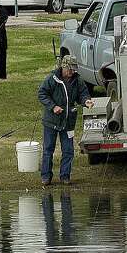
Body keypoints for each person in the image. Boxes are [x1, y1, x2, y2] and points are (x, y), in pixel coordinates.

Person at [37, 55, 93, 186]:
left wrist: (86, 101)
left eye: (74, 70)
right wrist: (53, 107)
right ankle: (46, 176)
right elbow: (42, 93)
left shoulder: (77, 80)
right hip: (51, 121)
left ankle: (65, 176)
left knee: (68, 150)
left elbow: (83, 94)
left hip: (68, 122)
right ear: (64, 67)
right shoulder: (52, 78)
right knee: (48, 149)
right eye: (70, 70)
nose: (72, 72)